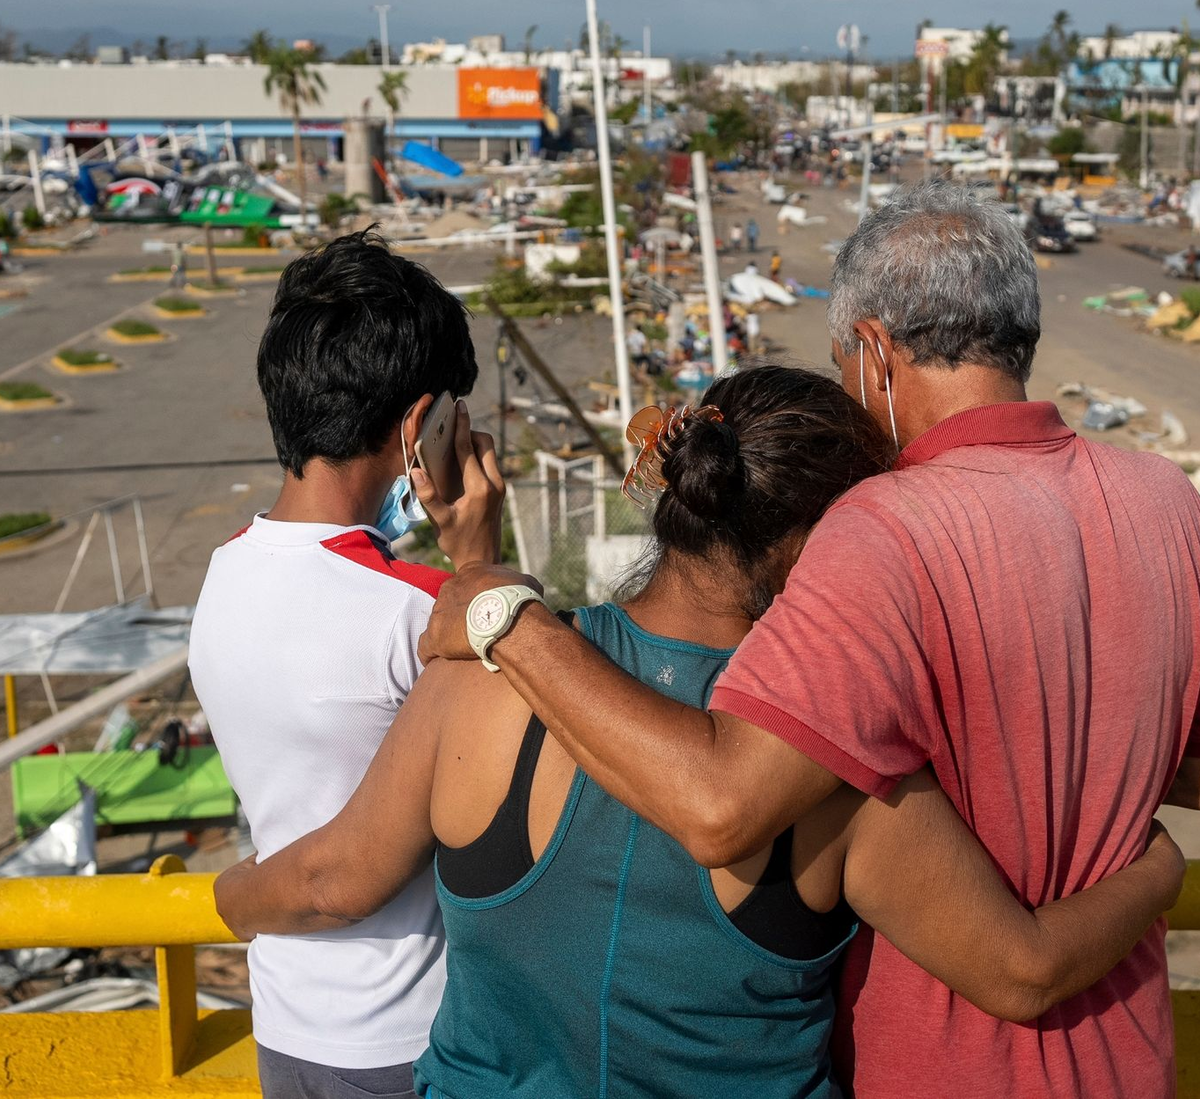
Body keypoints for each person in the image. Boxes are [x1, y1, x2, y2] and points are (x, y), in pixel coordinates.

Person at [417, 183, 1200, 1097]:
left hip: (937, 1067)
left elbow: (722, 804)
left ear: (873, 353)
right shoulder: (1164, 499)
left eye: (841, 369)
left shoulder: (881, 528)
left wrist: (501, 610)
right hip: (1129, 1058)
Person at [215, 366, 1183, 1099]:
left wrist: (223, 896)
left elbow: (329, 877)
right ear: (821, 547)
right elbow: (1021, 967)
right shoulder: (834, 774)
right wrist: (1158, 872)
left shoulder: (485, 679)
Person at [190, 229, 504, 1099]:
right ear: (421, 427)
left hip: (288, 1024)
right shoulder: (419, 609)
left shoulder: (222, 575)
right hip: (417, 1035)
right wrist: (480, 563)